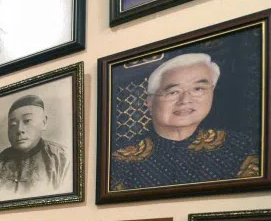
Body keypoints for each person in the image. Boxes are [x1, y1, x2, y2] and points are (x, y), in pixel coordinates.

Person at [111, 53, 260, 190]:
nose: (185, 100)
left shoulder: (238, 147)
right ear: (149, 102)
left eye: (198, 89)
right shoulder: (122, 158)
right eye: (173, 92)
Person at [0, 94, 70, 199]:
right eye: (13, 125)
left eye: (27, 121)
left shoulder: (63, 158)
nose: (19, 130)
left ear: (44, 122)